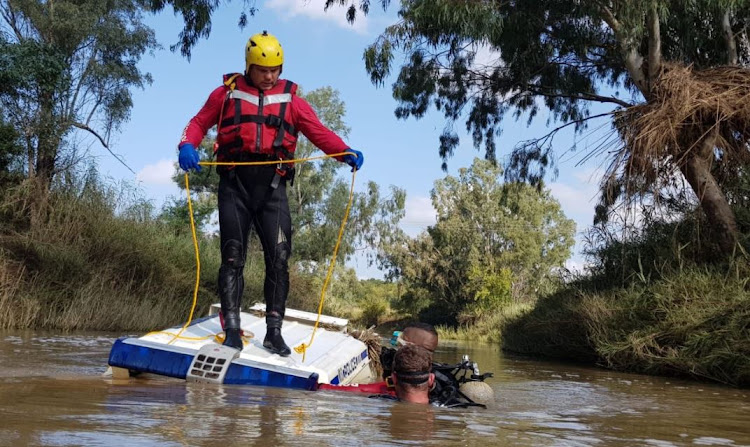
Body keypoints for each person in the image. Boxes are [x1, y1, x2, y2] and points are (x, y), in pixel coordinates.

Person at [177, 31, 364, 356]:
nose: (270, 76)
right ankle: (232, 330)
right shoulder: (225, 94)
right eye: (263, 70)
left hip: (272, 189)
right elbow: (197, 123)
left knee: (278, 259)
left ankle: (273, 333)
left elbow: (318, 132)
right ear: (249, 66)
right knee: (233, 257)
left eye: (275, 69)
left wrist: (344, 151)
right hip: (235, 186)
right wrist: (187, 145)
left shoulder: (293, 101)